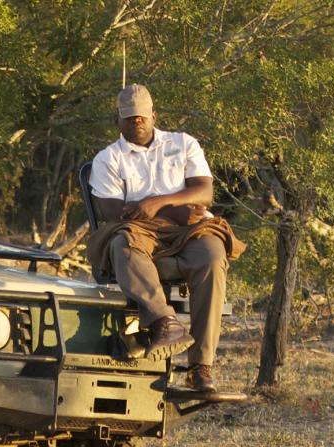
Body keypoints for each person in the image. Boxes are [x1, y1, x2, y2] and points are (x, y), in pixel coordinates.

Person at [87, 84, 245, 393]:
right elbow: (114, 212)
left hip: (188, 231)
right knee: (123, 244)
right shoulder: (108, 159)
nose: (137, 123)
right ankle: (165, 323)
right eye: (130, 118)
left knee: (213, 255)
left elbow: (204, 192)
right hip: (139, 232)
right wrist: (177, 208)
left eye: (143, 117)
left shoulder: (183, 144)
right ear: (117, 120)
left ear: (154, 116)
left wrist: (155, 203)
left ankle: (201, 367)